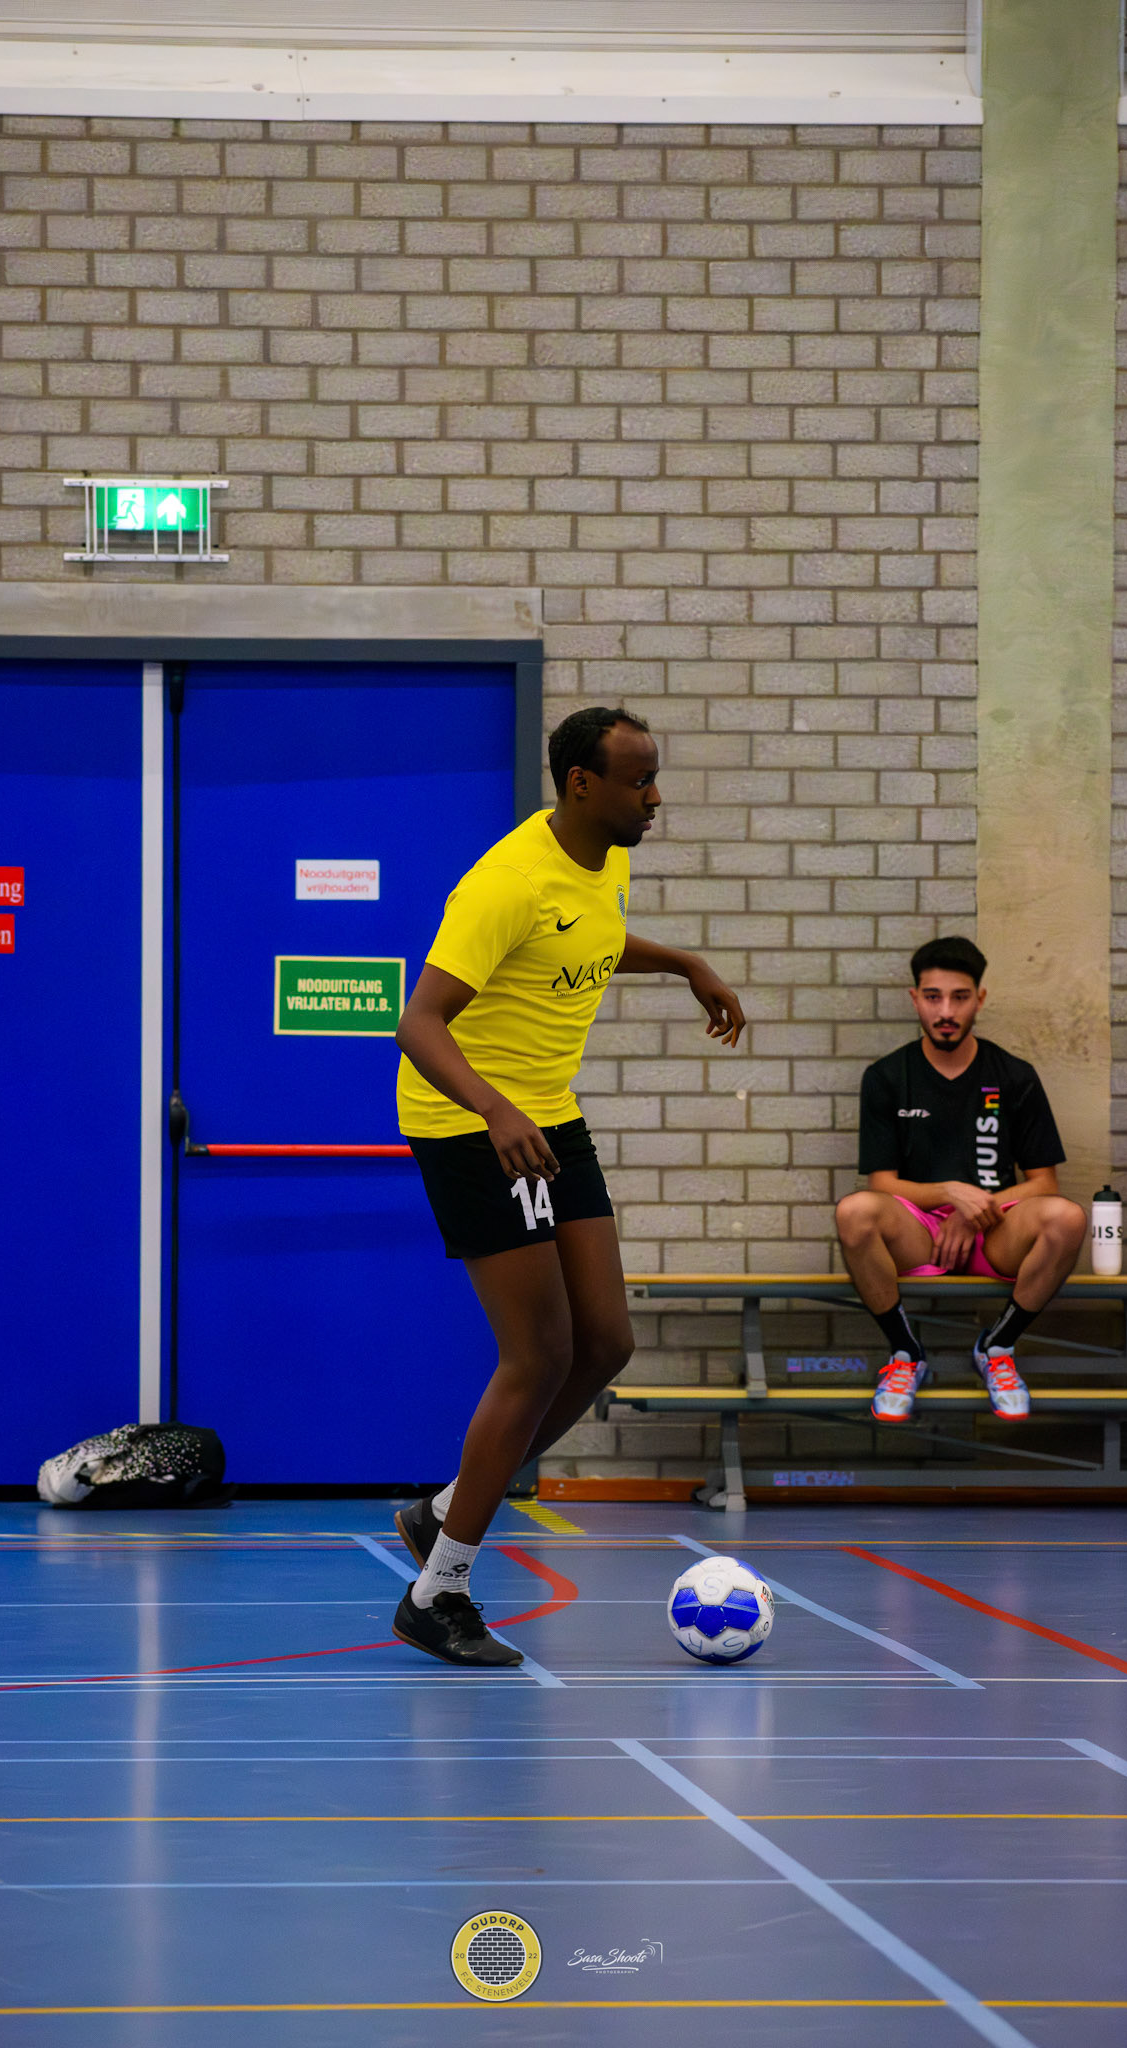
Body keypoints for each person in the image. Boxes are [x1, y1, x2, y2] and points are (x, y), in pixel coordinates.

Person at [391, 706, 745, 1666]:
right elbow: (418, 1023)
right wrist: (495, 1111)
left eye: (655, 776)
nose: (655, 797)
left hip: (547, 1115)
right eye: (640, 780)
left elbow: (592, 941)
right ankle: (438, 1590)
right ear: (581, 784)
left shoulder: (605, 859)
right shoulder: (506, 882)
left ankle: (441, 1510)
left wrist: (683, 963)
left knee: (605, 1342)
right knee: (539, 1353)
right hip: (471, 1125)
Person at [836, 936, 1085, 1424]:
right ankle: (906, 1354)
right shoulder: (887, 1076)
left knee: (1067, 1218)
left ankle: (997, 1347)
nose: (946, 1011)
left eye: (959, 997)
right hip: (918, 1232)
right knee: (854, 1212)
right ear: (915, 999)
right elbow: (882, 1184)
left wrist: (977, 1212)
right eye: (933, 997)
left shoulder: (1014, 1075)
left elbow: (1044, 1185)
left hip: (996, 1232)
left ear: (980, 999)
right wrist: (950, 1194)